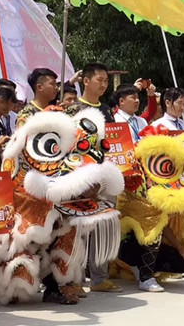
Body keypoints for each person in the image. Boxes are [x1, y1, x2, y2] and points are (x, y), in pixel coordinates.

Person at [63, 63, 120, 294]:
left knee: (104, 226)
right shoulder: (72, 110)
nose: (104, 84)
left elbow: (116, 144)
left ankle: (99, 278)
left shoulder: (107, 110)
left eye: (106, 80)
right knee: (76, 228)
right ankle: (73, 278)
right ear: (85, 81)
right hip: (78, 177)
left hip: (106, 176)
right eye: (99, 79)